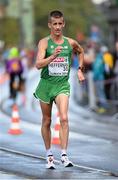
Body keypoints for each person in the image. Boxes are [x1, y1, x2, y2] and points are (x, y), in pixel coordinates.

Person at [34, 10, 85, 169]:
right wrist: (51, 57)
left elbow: (81, 51)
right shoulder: (44, 43)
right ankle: (49, 154)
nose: (57, 27)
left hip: (62, 85)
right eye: (54, 24)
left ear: (64, 24)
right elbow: (37, 65)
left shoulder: (70, 43)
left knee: (64, 118)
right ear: (50, 25)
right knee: (47, 120)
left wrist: (80, 69)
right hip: (46, 85)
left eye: (60, 24)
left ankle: (63, 155)